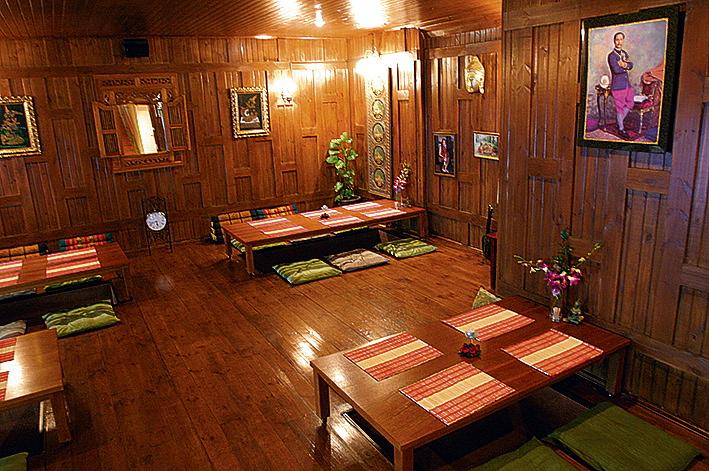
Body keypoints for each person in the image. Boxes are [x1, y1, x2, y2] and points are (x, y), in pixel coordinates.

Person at [607, 31, 634, 139]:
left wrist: (625, 65)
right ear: (614, 41)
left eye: (621, 39)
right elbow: (616, 70)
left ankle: (619, 121)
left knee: (630, 103)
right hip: (618, 86)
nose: (619, 42)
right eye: (617, 39)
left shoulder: (624, 53)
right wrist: (625, 66)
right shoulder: (611, 56)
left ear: (623, 40)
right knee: (620, 108)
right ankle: (621, 129)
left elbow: (631, 65)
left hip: (627, 84)